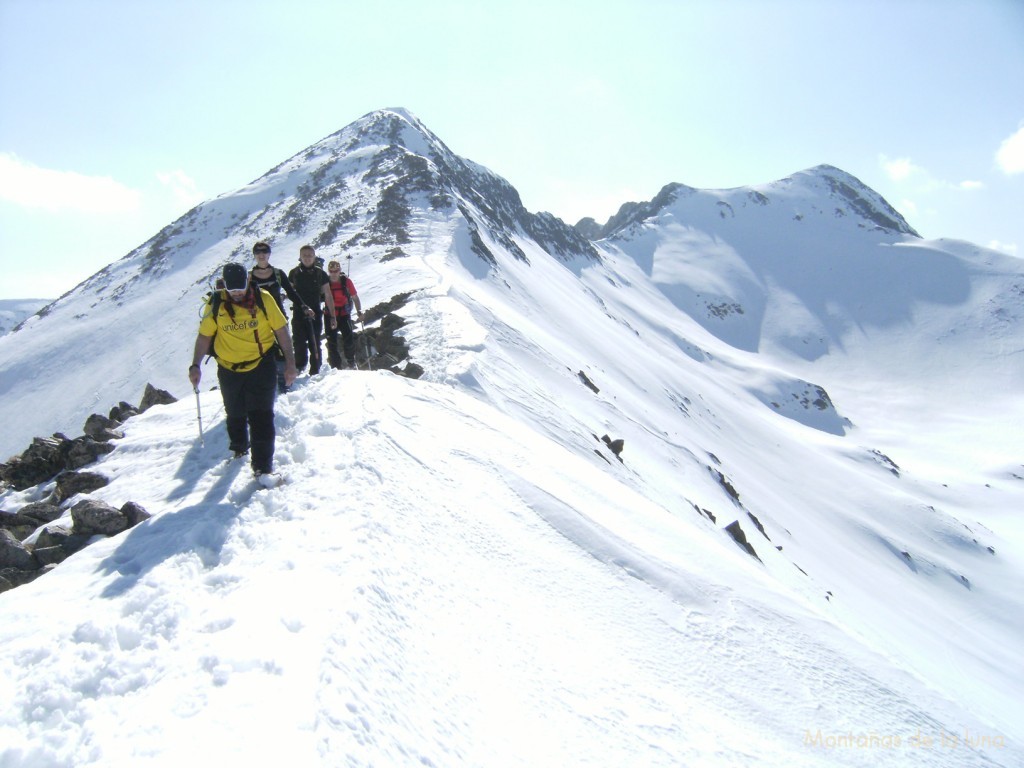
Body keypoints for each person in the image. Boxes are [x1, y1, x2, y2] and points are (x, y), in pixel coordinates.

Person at [188, 263, 297, 484]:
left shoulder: (263, 299)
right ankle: (239, 449)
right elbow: (204, 336)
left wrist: (290, 363)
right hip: (228, 369)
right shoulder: (216, 302)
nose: (237, 293)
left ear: (248, 281)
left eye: (240, 288)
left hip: (261, 365)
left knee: (262, 416)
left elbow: (281, 331)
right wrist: (195, 365)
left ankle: (262, 468)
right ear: (224, 286)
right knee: (234, 413)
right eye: (232, 289)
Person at [249, 241, 309, 392]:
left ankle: (284, 383)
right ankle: (266, 384)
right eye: (258, 252)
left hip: (278, 318)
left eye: (264, 251)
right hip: (258, 321)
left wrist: (303, 305)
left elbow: (291, 292)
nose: (261, 255)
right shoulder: (249, 278)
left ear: (269, 254)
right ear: (255, 255)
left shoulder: (278, 274)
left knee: (283, 349)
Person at [287, 245, 336, 375]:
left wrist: (332, 316)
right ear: (300, 257)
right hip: (298, 313)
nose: (307, 258)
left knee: (314, 341)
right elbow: (290, 292)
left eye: (310, 255)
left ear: (314, 256)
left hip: (316, 313)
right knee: (299, 342)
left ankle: (315, 370)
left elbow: (328, 295)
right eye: (305, 255)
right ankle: (300, 366)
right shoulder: (294, 273)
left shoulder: (321, 274)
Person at [325, 259, 364, 369]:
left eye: (336, 271)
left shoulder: (346, 282)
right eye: (331, 271)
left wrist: (359, 311)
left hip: (343, 313)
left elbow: (355, 297)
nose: (333, 273)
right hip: (329, 314)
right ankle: (335, 366)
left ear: (339, 270)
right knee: (331, 340)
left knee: (348, 338)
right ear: (328, 271)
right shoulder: (325, 282)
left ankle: (351, 362)